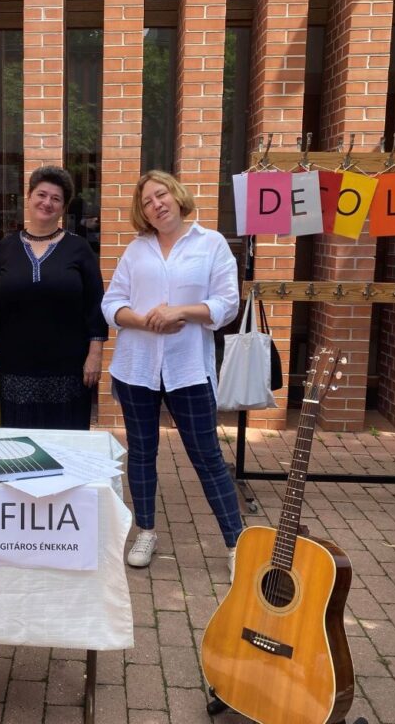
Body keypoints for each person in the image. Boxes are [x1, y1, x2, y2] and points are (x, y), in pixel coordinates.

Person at [101, 170, 242, 570]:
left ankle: (237, 544)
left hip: (188, 368)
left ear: (177, 196)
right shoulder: (136, 250)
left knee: (207, 455)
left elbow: (227, 303)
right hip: (137, 367)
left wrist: (181, 311)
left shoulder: (211, 243)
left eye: (160, 195)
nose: (156, 205)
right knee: (142, 452)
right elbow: (111, 304)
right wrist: (144, 321)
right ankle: (145, 531)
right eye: (146, 202)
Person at [0, 165, 107, 429]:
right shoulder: (7, 247)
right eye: (42, 195)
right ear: (29, 197)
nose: (47, 203)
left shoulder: (78, 248)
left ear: (63, 207)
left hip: (69, 368)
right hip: (16, 366)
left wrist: (95, 355)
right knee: (20, 442)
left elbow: (95, 306)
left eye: (56, 198)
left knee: (66, 441)